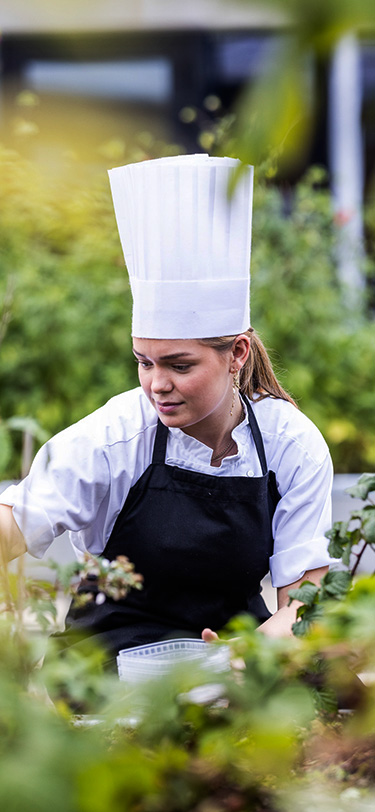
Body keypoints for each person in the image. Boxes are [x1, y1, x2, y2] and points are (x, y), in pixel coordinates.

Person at [0, 154, 332, 661]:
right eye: (144, 362)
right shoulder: (116, 436)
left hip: (238, 658)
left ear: (237, 353)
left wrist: (253, 658)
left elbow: (304, 601)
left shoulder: (290, 443)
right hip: (110, 665)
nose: (157, 384)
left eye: (179, 365)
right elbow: (16, 521)